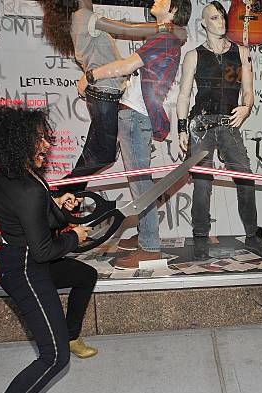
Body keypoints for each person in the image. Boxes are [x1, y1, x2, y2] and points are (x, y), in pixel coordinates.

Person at [0, 107, 98, 393]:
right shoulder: (26, 187)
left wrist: (59, 205)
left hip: (24, 260)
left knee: (85, 276)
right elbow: (43, 249)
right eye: (39, 139)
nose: (46, 145)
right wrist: (75, 236)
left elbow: (34, 217)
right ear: (19, 141)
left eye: (45, 137)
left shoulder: (15, 175)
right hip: (26, 269)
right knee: (54, 358)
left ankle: (70, 333)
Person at [76, 0, 191, 268]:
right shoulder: (169, 38)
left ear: (173, 10)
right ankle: (145, 235)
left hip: (135, 117)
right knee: (140, 182)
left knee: (141, 185)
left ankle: (150, 248)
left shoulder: (164, 37)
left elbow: (125, 66)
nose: (156, 1)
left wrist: (89, 76)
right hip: (136, 116)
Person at [39, 0, 187, 193]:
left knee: (92, 156)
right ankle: (58, 191)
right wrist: (168, 28)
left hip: (104, 93)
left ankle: (68, 198)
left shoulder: (82, 18)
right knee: (105, 155)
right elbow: (128, 29)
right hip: (103, 93)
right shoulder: (83, 16)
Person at [176, 1, 262, 260]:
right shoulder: (193, 55)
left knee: (245, 177)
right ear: (203, 24)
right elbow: (184, 95)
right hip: (201, 124)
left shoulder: (241, 52)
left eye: (221, 17)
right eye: (213, 18)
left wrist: (246, 107)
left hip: (229, 122)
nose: (220, 22)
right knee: (202, 183)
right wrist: (181, 129)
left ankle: (253, 235)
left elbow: (249, 90)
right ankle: (200, 238)